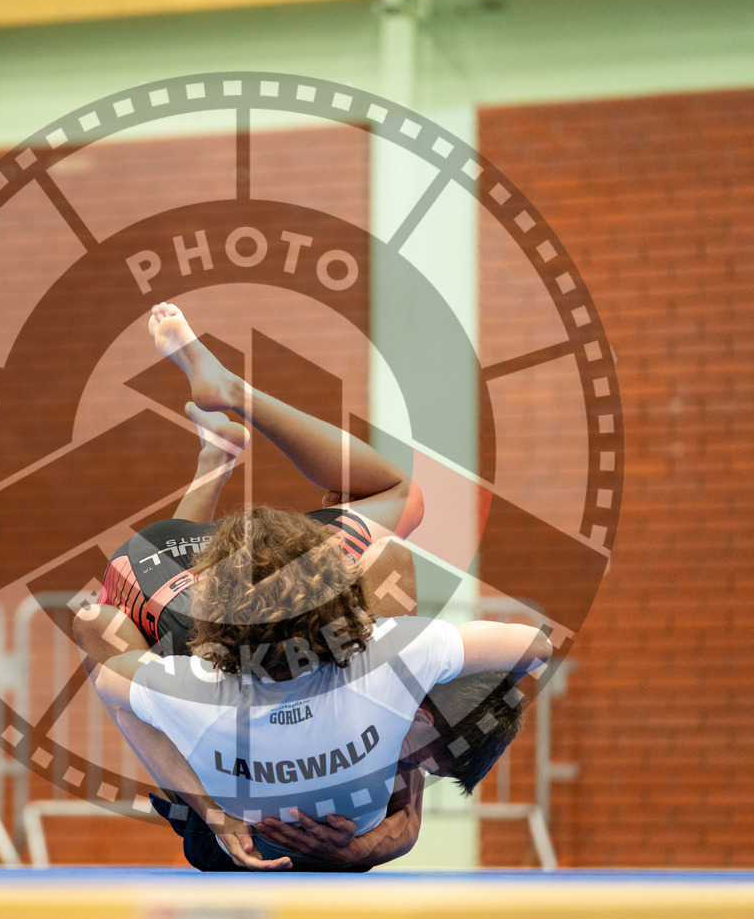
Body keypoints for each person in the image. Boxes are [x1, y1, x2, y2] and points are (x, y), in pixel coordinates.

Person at [73, 304, 552, 870]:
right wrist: (211, 811)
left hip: (230, 587)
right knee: (146, 615)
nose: (418, 772)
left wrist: (504, 683)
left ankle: (225, 431)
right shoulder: (237, 682)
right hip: (172, 578)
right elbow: (100, 639)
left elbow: (534, 645)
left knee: (402, 507)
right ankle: (220, 442)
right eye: (427, 764)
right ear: (419, 711)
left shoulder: (391, 664)